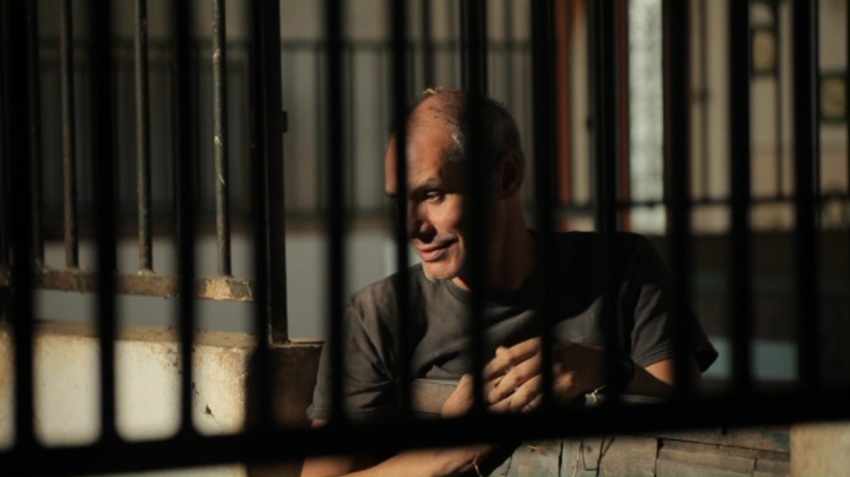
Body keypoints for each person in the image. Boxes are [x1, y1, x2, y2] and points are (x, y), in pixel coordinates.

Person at [301, 89, 717, 477]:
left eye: (432, 194)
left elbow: (706, 437)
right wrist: (447, 451)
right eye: (399, 202)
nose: (411, 227)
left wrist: (602, 369)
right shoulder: (376, 317)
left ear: (507, 177)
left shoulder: (623, 269)